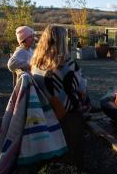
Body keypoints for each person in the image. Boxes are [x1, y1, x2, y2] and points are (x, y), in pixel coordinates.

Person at [30, 25, 90, 169]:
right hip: (66, 117)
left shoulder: (36, 63)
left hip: (44, 116)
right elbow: (82, 89)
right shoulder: (67, 65)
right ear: (62, 41)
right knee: (75, 155)